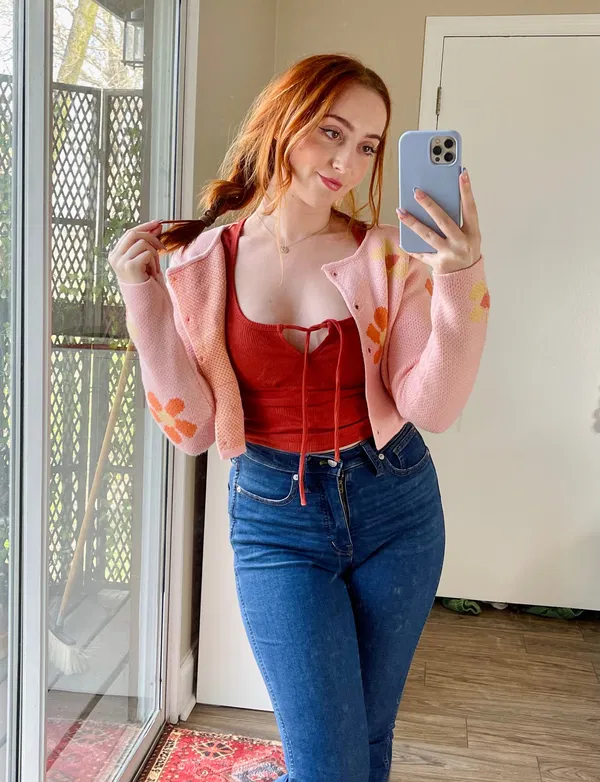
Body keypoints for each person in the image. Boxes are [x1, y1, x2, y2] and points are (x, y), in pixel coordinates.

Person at [110, 53, 489, 782]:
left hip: (397, 506)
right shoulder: (202, 262)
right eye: (332, 132)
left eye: (369, 145)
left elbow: (433, 407)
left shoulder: (387, 257)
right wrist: (144, 302)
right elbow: (191, 429)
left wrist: (459, 277)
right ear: (285, 121)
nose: (348, 162)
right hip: (275, 522)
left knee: (367, 741)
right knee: (327, 763)